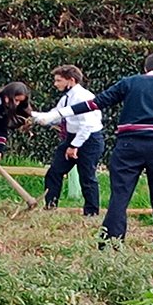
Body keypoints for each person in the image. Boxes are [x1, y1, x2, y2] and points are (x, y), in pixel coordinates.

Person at [31, 51, 153, 251]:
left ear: (145, 69)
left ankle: (110, 244)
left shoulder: (130, 82)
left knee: (120, 196)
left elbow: (95, 103)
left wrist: (54, 115)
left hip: (128, 145)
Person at [41, 65, 105, 216]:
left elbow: (87, 125)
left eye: (59, 80)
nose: (55, 84)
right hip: (72, 137)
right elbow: (57, 114)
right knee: (54, 172)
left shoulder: (83, 97)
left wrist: (74, 146)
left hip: (89, 140)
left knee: (87, 176)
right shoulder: (67, 98)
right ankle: (50, 207)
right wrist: (38, 118)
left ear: (71, 80)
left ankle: (91, 213)